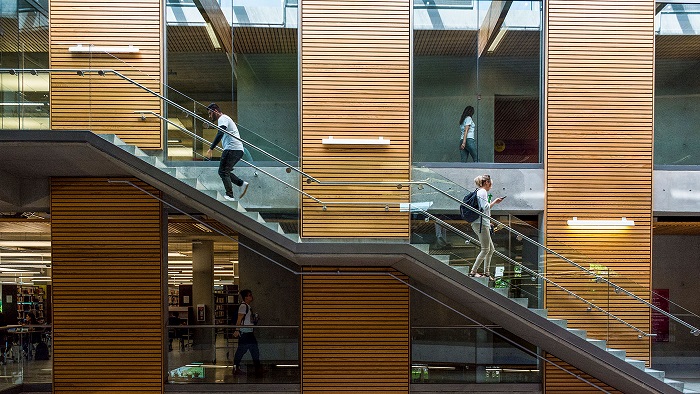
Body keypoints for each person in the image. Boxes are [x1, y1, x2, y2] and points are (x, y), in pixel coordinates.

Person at [205, 103, 249, 201]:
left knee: (222, 171)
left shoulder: (223, 118)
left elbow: (220, 133)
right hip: (236, 150)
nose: (209, 116)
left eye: (210, 113)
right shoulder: (225, 118)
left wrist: (211, 148)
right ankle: (241, 184)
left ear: (215, 111)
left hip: (232, 149)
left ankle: (230, 195)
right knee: (225, 171)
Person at [468, 174, 505, 280]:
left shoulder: (479, 192)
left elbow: (482, 210)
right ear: (487, 182)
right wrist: (495, 202)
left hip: (482, 223)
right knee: (485, 249)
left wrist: (489, 222)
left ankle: (487, 273)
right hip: (480, 224)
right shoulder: (483, 192)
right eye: (491, 183)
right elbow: (485, 208)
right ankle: (473, 272)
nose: (491, 185)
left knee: (491, 249)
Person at [232, 289, 262, 376]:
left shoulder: (247, 306)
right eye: (249, 295)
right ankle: (236, 368)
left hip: (248, 332)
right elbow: (239, 319)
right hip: (245, 332)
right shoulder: (243, 306)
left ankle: (257, 368)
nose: (251, 296)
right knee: (242, 350)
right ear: (245, 297)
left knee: (253, 350)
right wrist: (237, 330)